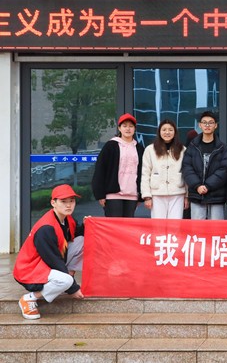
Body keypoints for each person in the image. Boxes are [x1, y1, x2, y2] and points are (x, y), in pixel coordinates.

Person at [13, 184, 85, 320]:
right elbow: (54, 260)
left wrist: (89, 224)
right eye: (63, 201)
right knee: (66, 280)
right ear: (53, 203)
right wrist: (73, 288)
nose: (68, 205)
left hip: (46, 263)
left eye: (72, 201)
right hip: (29, 270)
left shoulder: (67, 219)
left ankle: (64, 281)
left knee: (82, 241)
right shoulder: (46, 228)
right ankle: (29, 299)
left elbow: (78, 233)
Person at [91, 113, 144, 218]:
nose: (128, 129)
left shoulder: (139, 148)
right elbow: (101, 169)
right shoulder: (111, 146)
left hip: (132, 194)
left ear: (134, 129)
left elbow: (143, 172)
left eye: (131, 126)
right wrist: (100, 194)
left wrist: (141, 195)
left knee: (128, 225)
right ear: (119, 128)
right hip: (113, 194)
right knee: (114, 225)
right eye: (124, 126)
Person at [182, 111, 227, 220]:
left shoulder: (223, 148)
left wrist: (207, 186)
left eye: (210, 122)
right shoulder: (192, 146)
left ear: (216, 125)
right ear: (200, 125)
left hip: (216, 195)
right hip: (197, 194)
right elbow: (187, 168)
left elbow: (224, 170)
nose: (207, 125)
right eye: (204, 122)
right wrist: (197, 186)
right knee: (197, 228)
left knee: (216, 228)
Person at [140, 118, 187, 220]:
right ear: (159, 132)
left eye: (170, 130)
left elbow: (187, 173)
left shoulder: (182, 149)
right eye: (164, 129)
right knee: (158, 225)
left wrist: (187, 196)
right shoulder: (150, 149)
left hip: (177, 193)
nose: (167, 132)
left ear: (175, 132)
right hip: (157, 193)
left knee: (175, 224)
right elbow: (145, 173)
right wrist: (147, 196)